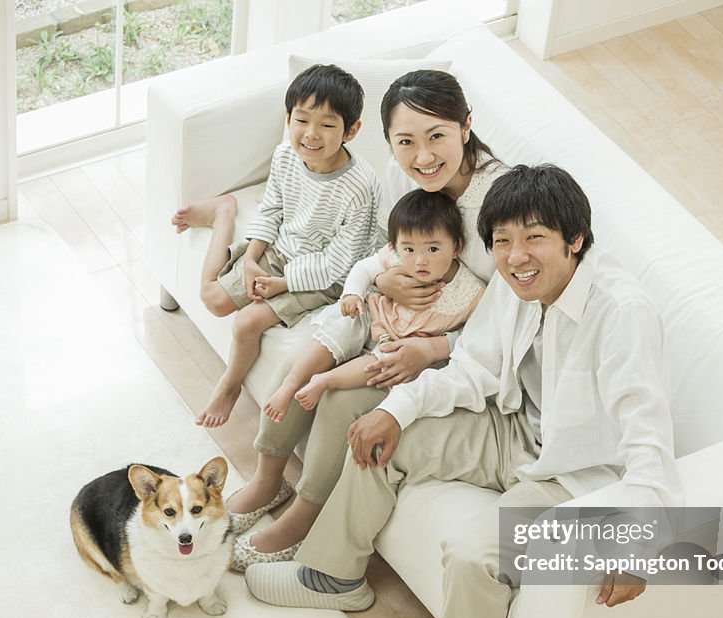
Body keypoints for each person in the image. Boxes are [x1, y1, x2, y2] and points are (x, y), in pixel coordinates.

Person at [244, 164, 683, 618]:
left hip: (575, 475)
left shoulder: (622, 313)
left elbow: (648, 441)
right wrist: (394, 409)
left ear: (575, 240)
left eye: (533, 238)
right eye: (502, 240)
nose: (515, 256)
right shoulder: (514, 284)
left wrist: (637, 539)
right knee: (379, 435)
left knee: (479, 555)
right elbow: (473, 369)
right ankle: (333, 575)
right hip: (510, 427)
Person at [225, 70, 505, 572]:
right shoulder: (410, 175)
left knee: (344, 395)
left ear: (466, 127)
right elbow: (386, 248)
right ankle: (269, 480)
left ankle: (305, 514)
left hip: (445, 345)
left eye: (437, 136)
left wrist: (434, 349)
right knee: (312, 354)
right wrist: (385, 281)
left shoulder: (498, 204)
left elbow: (507, 317)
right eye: (405, 142)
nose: (422, 157)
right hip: (387, 311)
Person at [171, 63, 383, 429]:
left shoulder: (360, 185)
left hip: (326, 275)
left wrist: (282, 284)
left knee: (247, 322)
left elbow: (339, 263)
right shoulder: (286, 155)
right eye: (301, 120)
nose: (311, 134)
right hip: (282, 249)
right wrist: (252, 258)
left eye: (327, 125)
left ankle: (229, 385)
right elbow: (273, 209)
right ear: (288, 117)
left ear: (352, 130)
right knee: (214, 299)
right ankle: (224, 213)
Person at [261, 189, 484, 422]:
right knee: (345, 325)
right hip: (375, 314)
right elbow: (364, 269)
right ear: (397, 246)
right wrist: (352, 294)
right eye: (409, 249)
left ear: (457, 247)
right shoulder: (396, 255)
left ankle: (325, 380)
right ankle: (291, 383)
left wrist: (434, 346)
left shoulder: (471, 292)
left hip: (402, 342)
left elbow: (474, 336)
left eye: (433, 249)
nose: (420, 260)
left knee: (387, 363)